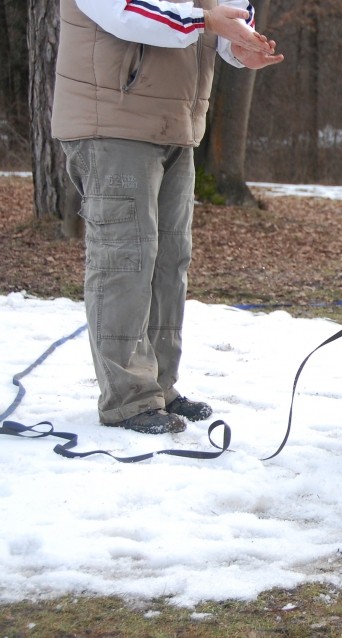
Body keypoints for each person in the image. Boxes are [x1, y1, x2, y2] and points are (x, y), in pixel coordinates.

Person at [52, 0, 284, 434]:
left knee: (169, 261)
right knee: (125, 262)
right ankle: (128, 397)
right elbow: (124, 11)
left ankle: (158, 385)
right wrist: (207, 21)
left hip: (176, 122)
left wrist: (240, 46)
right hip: (112, 123)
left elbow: (226, 9)